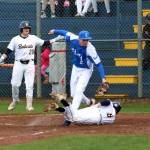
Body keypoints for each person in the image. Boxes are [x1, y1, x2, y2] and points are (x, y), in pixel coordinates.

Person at [0, 21, 63, 111]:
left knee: (29, 85)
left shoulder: (33, 38)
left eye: (28, 28)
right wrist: (1, 59)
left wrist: (55, 39)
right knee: (14, 84)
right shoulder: (15, 39)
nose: (27, 30)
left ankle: (29, 105)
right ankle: (15, 100)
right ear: (21, 29)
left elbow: (45, 43)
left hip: (30, 64)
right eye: (25, 28)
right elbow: (8, 51)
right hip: (18, 64)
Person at [48, 29, 108, 116]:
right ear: (79, 38)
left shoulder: (90, 49)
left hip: (86, 70)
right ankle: (89, 102)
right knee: (73, 93)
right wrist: (54, 31)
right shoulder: (73, 39)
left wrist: (103, 79)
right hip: (75, 68)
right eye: (84, 40)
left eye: (87, 40)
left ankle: (73, 112)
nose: (86, 41)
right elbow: (65, 33)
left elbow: (99, 64)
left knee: (79, 90)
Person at [44, 93, 121, 126]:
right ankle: (60, 103)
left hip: (94, 112)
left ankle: (60, 102)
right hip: (95, 118)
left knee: (73, 115)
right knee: (73, 116)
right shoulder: (112, 119)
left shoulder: (110, 105)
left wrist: (95, 105)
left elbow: (107, 101)